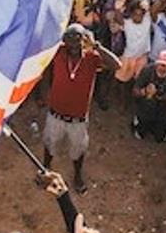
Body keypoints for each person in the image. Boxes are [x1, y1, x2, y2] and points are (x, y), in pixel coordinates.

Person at [41, 24, 121, 194]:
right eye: (70, 40)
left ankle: (77, 175)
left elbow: (117, 65)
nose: (73, 45)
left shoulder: (92, 58)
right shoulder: (59, 52)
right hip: (55, 113)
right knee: (50, 143)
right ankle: (45, 169)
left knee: (78, 149)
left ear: (85, 40)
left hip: (78, 118)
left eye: (78, 40)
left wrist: (96, 45)